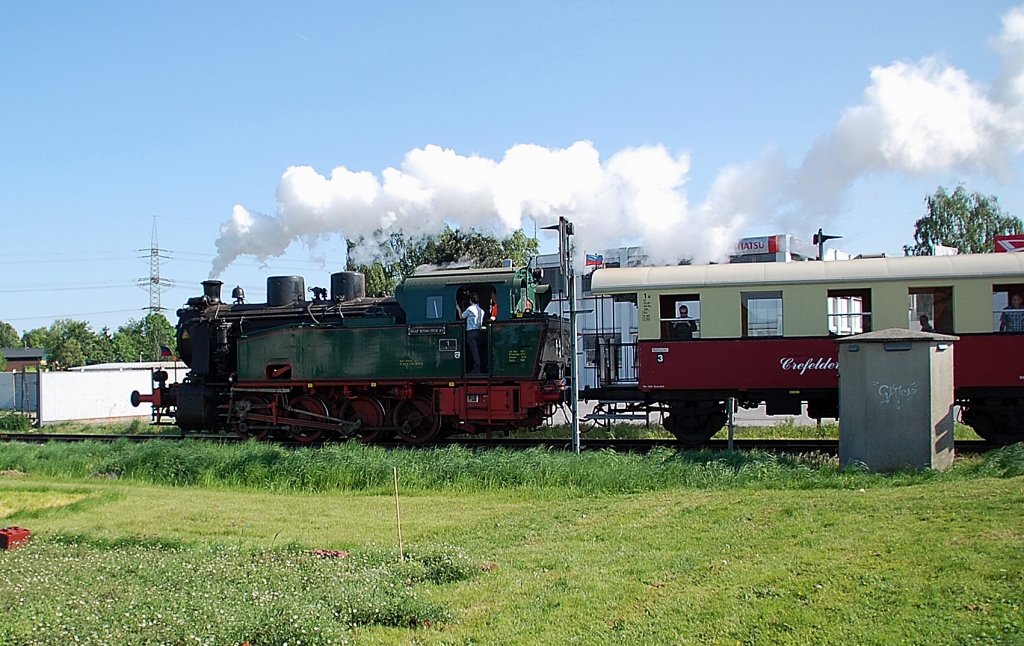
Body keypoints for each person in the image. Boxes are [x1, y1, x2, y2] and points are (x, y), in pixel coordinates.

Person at [458, 293, 486, 373]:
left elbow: (461, 317)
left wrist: (459, 309)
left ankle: (477, 368)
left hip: (471, 332)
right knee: (478, 350)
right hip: (478, 331)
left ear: (471, 300)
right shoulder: (481, 311)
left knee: (474, 351)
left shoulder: (470, 309)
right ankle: (481, 367)